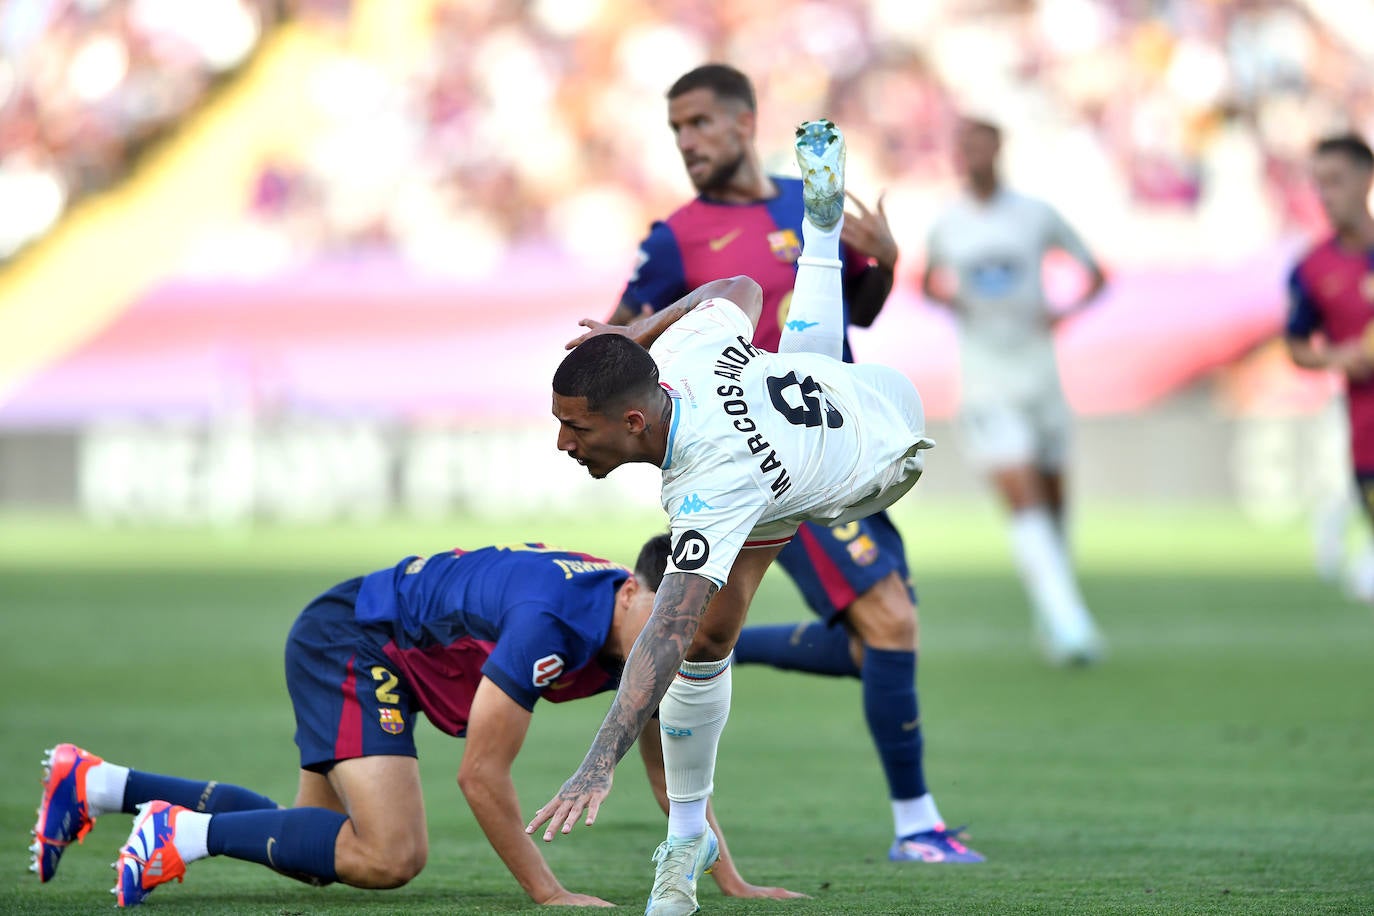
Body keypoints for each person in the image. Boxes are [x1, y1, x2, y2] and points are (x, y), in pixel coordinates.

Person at [532, 121, 965, 916]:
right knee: (715, 636)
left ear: (632, 423)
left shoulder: (706, 486)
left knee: (689, 638)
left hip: (882, 457)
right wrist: (637, 333)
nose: (564, 443)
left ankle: (683, 836)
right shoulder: (683, 360)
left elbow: (661, 631)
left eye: (576, 428)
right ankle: (822, 233)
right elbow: (738, 292)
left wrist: (599, 759)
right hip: (808, 405)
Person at [29, 537, 804, 908]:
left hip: (372, 636)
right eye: (674, 623)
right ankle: (178, 834)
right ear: (635, 591)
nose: (679, 647)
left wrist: (728, 878)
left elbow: (670, 770)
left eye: (693, 631)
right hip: (356, 639)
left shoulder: (638, 634)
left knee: (312, 843)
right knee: (392, 854)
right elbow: (481, 772)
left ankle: (96, 784)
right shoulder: (554, 623)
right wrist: (549, 894)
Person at [921, 115, 1108, 666]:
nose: (972, 155)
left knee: (1053, 502)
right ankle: (1073, 625)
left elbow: (1095, 272)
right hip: (986, 381)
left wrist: (1064, 313)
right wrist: (952, 304)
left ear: (999, 148)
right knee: (1021, 493)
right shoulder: (948, 224)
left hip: (1041, 375)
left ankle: (1054, 616)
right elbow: (928, 282)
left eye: (980, 144)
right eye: (963, 147)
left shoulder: (1035, 215)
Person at [1284, 134, 1374, 566]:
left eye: (1335, 181)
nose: (1325, 194)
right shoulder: (1312, 269)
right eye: (1318, 183)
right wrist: (1339, 358)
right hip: (1367, 435)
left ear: (1366, 180)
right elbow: (1297, 346)